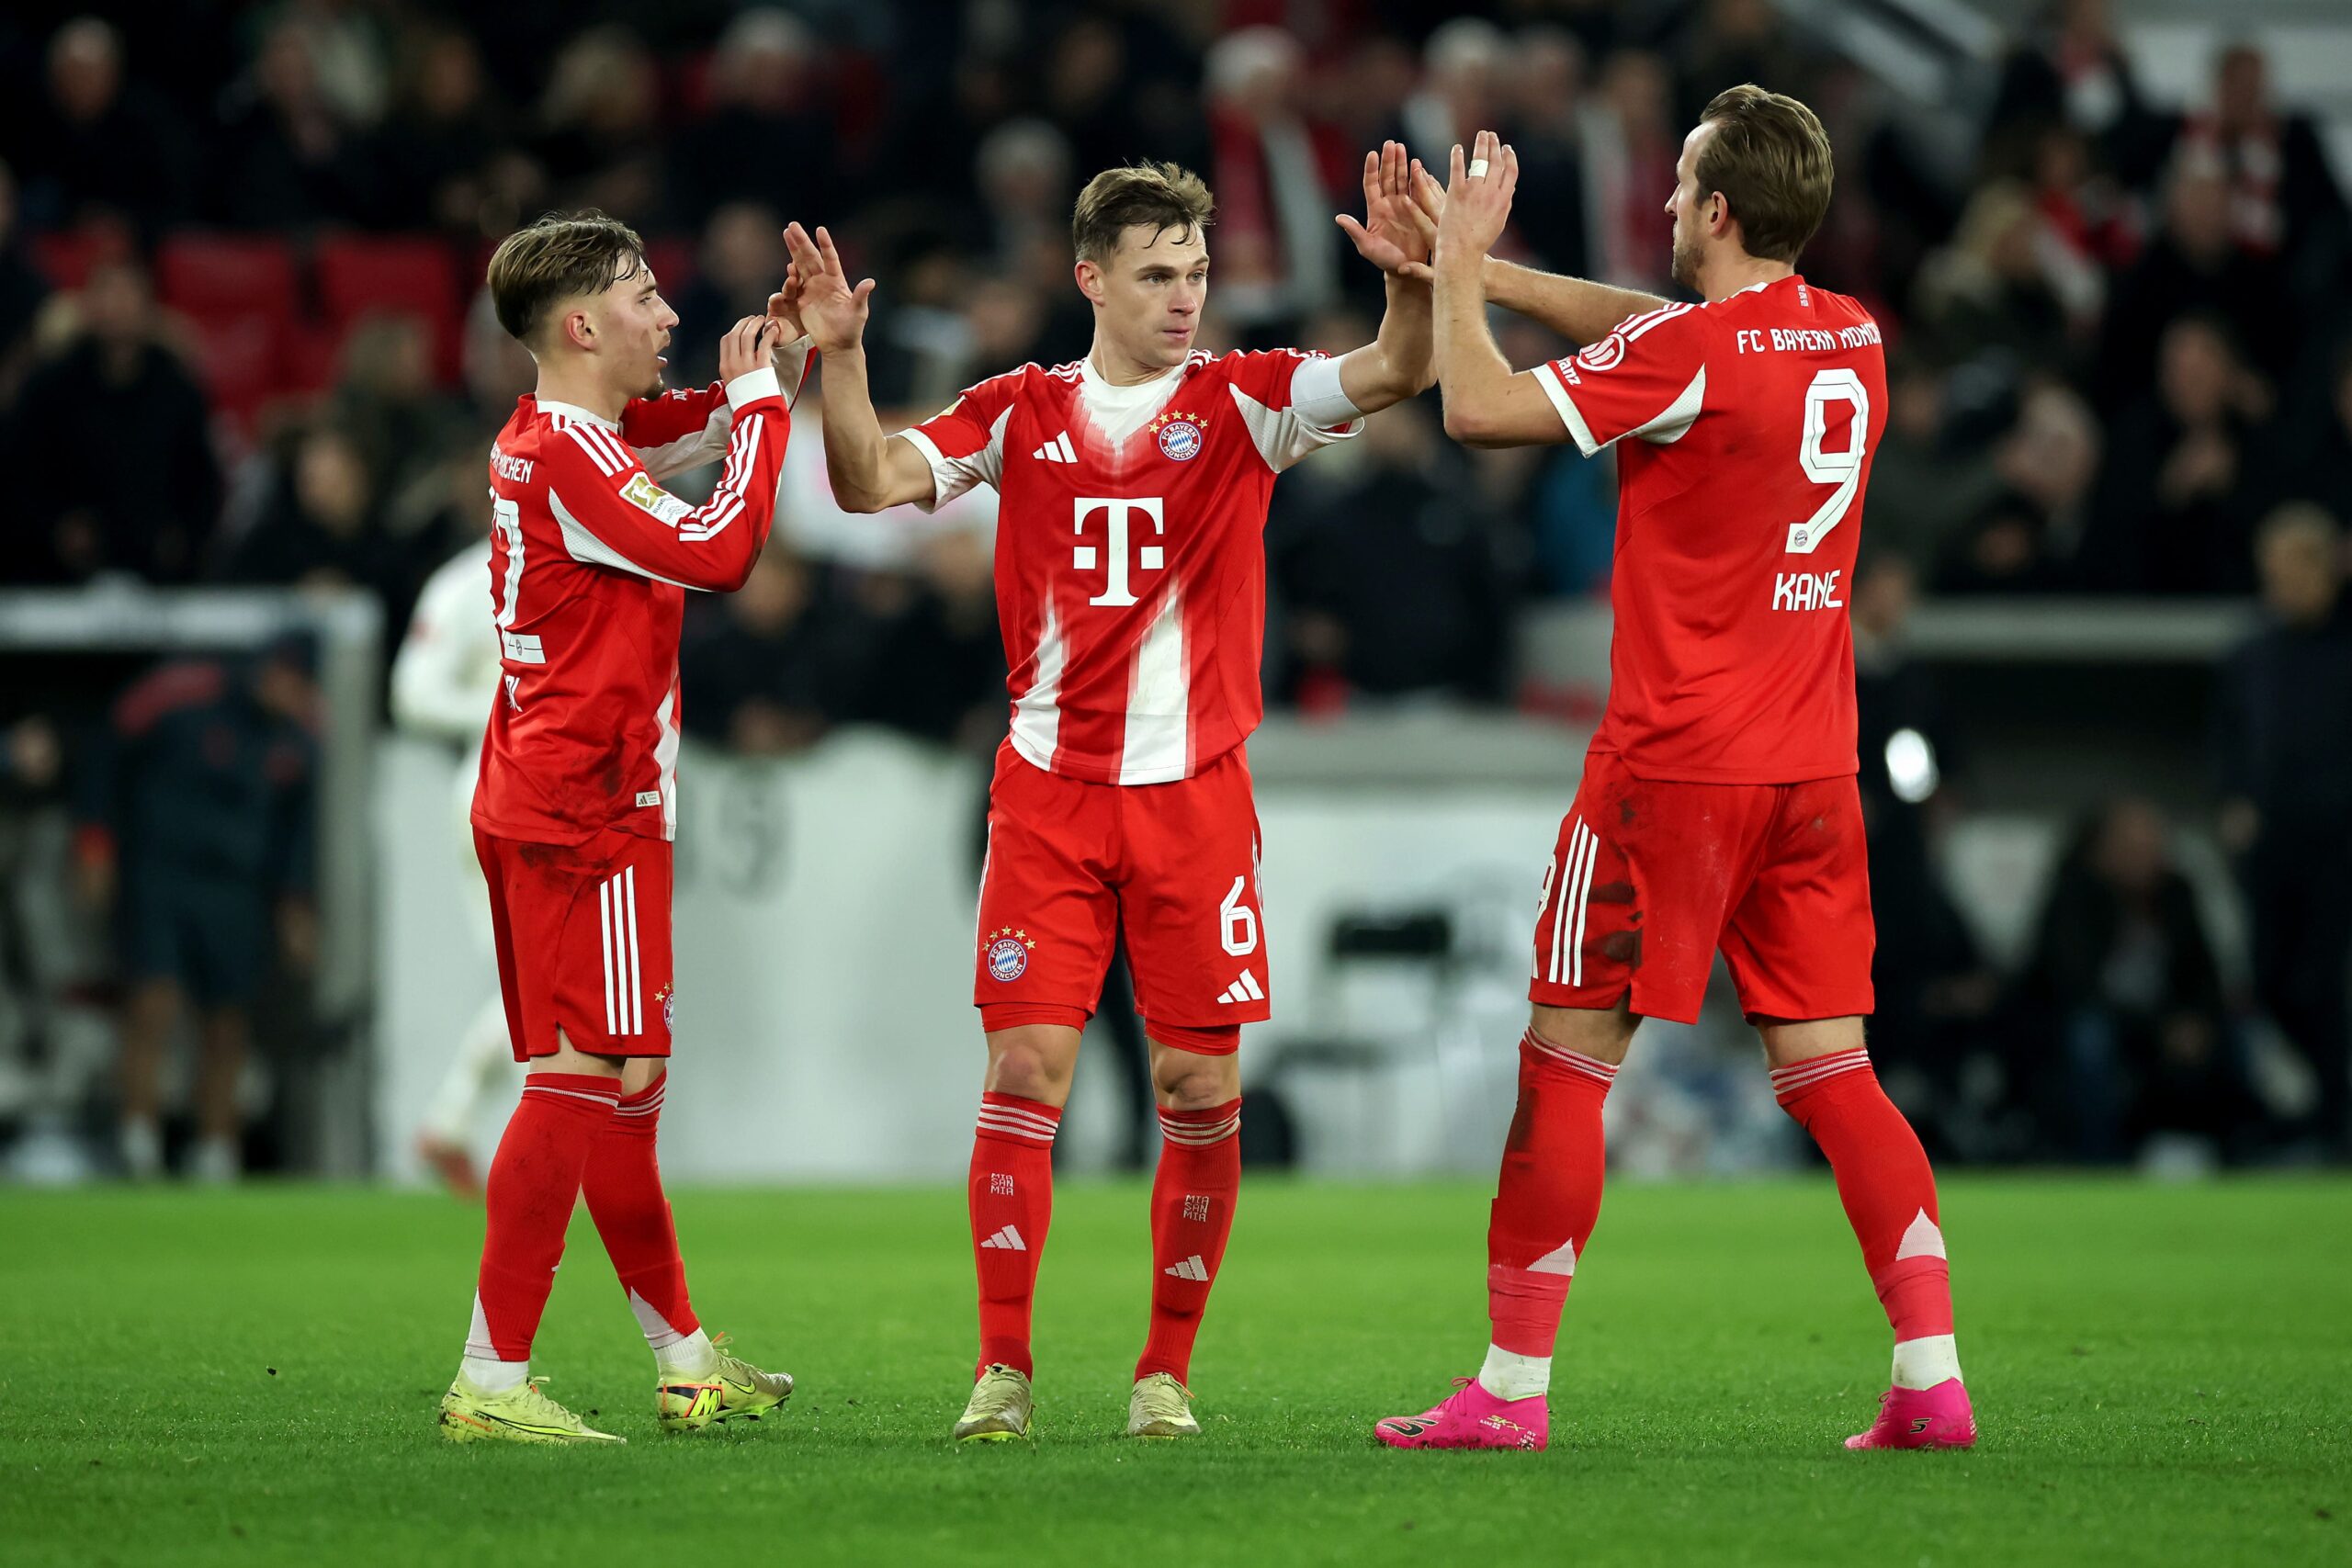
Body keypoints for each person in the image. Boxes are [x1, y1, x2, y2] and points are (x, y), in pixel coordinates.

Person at [793, 145, 1435, 1442]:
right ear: (1090, 279)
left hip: (1194, 801)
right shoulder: (1016, 410)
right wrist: (843, 360)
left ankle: (1163, 1373)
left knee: (1195, 1084)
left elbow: (1396, 370)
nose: (1184, 296)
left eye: (1194, 271)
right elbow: (866, 483)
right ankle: (1003, 1369)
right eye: (1155, 275)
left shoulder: (1250, 399)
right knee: (1026, 1063)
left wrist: (1414, 285)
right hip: (1049, 796)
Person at [1374, 94, 1973, 1454]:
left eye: (1681, 183)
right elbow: (1666, 331)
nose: (1660, 202)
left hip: (1672, 771)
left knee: (1565, 1060)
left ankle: (1507, 1392)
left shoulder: (1694, 353)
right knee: (1834, 1069)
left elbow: (1475, 408)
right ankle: (1931, 1378)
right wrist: (1490, 272)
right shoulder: (1851, 335)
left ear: (1716, 209)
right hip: (1811, 771)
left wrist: (1457, 274)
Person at [435, 210, 807, 1446]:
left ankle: (684, 1359)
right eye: (644, 296)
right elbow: (723, 548)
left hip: (568, 793)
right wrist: (762, 411)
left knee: (627, 1080)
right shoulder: (568, 460)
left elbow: (675, 428)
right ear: (582, 325)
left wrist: (771, 366)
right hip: (584, 810)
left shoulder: (565, 436)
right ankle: (492, 1376)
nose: (668, 312)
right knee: (580, 1074)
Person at [77, 639, 318, 1182]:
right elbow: (106, 755)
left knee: (227, 1021)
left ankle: (215, 1148)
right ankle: (138, 1140)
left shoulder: (297, 741)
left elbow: (296, 837)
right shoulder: (181, 697)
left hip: (238, 891)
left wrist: (295, 906)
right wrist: (94, 842)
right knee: (152, 1004)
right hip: (158, 875)